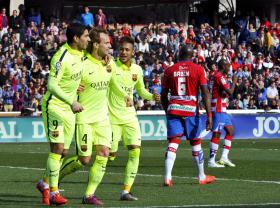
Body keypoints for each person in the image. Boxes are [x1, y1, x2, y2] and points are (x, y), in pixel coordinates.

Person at [58, 28, 128, 205]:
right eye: (106, 43)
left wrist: (126, 95)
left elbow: (114, 83)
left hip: (102, 118)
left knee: (104, 153)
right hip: (84, 118)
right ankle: (54, 178)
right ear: (96, 44)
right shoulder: (81, 64)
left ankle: (89, 195)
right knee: (84, 159)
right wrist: (74, 89)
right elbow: (64, 85)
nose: (110, 46)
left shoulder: (109, 64)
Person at [36, 23, 90, 206]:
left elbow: (71, 79)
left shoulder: (81, 54)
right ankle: (53, 192)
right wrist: (72, 100)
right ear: (76, 38)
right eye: (85, 36)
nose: (88, 39)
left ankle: (44, 183)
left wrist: (76, 88)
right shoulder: (62, 56)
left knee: (64, 152)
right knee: (57, 149)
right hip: (55, 106)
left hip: (69, 110)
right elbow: (51, 85)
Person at [108, 36, 160, 201]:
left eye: (127, 49)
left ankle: (126, 191)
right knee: (109, 155)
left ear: (133, 52)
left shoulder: (137, 70)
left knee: (135, 151)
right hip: (112, 118)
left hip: (130, 116)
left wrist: (152, 95)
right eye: (121, 49)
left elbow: (141, 91)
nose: (123, 52)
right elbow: (107, 83)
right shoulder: (109, 65)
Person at [161, 44, 215, 187]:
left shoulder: (169, 70)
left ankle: (167, 177)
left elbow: (163, 94)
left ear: (179, 54)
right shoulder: (198, 69)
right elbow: (205, 93)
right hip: (190, 110)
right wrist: (209, 115)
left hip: (174, 108)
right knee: (195, 142)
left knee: (173, 142)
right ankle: (201, 176)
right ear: (192, 56)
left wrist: (168, 110)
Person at [208, 59, 237, 168]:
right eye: (228, 65)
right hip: (218, 108)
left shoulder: (216, 76)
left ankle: (224, 157)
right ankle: (211, 161)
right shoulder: (219, 76)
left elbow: (221, 91)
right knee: (217, 133)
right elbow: (230, 92)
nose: (229, 67)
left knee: (230, 131)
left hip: (222, 108)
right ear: (223, 66)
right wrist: (234, 81)